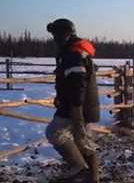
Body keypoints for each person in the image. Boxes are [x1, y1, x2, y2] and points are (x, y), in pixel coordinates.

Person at [45, 18, 100, 183]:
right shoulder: (77, 51)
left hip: (77, 107)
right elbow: (72, 81)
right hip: (86, 106)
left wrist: (76, 109)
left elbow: (78, 83)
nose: (54, 39)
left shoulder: (73, 54)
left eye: (55, 35)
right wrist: (60, 96)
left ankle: (79, 169)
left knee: (55, 132)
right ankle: (92, 178)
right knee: (83, 141)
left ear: (64, 35)